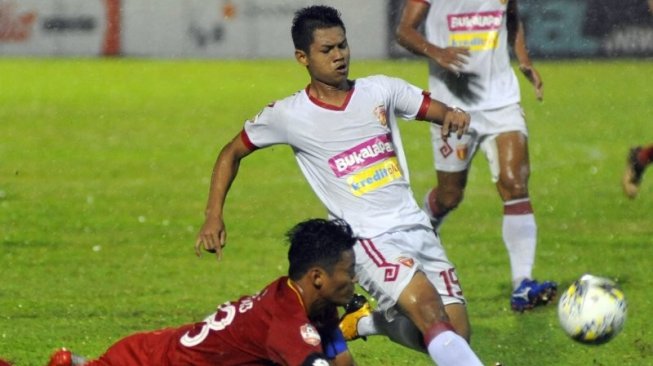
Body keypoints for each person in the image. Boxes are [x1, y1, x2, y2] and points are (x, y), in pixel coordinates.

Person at [195, 5, 484, 365]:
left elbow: (437, 110)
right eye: (327, 50)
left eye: (342, 46)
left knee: (454, 337)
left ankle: (364, 323)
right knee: (429, 311)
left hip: (417, 227)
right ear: (302, 57)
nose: (339, 56)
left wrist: (453, 116)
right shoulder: (289, 115)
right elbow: (230, 153)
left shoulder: (380, 90)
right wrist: (213, 215)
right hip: (369, 238)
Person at [395, 0, 557, 311]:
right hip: (452, 106)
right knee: (449, 196)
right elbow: (404, 31)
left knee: (515, 183)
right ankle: (412, 236)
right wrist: (436, 52)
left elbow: (512, 16)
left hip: (501, 101)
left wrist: (524, 60)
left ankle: (522, 284)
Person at [48, 218, 358, 366]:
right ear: (317, 277)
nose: (355, 278)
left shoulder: (314, 304)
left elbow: (340, 358)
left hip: (158, 350)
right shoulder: (287, 322)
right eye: (350, 271)